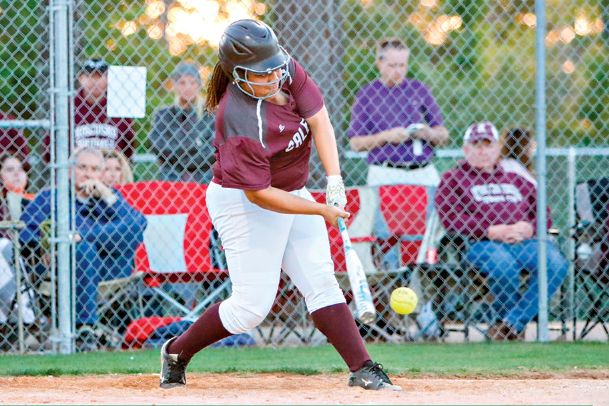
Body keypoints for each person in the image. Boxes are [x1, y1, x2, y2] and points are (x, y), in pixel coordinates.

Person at [159, 19, 400, 391]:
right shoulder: (237, 118)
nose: (274, 76)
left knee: (321, 281)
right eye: (262, 72)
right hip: (243, 203)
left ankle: (363, 367)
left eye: (275, 66)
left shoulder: (284, 68)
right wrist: (320, 209)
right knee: (251, 308)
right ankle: (177, 352)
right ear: (237, 74)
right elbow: (259, 195)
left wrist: (333, 180)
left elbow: (319, 120)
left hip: (293, 191)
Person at [434, 121, 568, 340]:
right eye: (476, 145)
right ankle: (510, 327)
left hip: (523, 241)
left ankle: (510, 323)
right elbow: (450, 219)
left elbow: (544, 212)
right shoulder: (453, 179)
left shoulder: (515, 177)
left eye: (488, 145)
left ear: (498, 149)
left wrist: (528, 227)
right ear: (465, 149)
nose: (482, 150)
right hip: (480, 244)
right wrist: (489, 230)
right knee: (503, 266)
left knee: (555, 262)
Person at [19, 147, 147, 344]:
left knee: (102, 240)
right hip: (61, 271)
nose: (88, 173)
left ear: (101, 174)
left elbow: (139, 224)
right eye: (82, 167)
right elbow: (25, 231)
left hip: (109, 270)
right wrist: (43, 248)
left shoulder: (109, 199)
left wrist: (105, 197)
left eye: (95, 169)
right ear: (70, 170)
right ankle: (84, 328)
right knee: (85, 250)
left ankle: (85, 329)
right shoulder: (51, 197)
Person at [347, 38, 449, 187]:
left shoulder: (419, 89)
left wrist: (427, 133)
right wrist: (387, 137)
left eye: (402, 65)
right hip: (385, 171)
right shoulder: (367, 94)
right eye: (392, 65)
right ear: (379, 64)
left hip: (422, 170)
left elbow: (443, 134)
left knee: (435, 209)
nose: (398, 71)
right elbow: (355, 144)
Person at [43, 58, 136, 163]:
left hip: (109, 172)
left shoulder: (119, 106)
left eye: (100, 76)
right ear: (81, 79)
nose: (95, 81)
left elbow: (129, 146)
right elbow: (49, 149)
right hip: (77, 171)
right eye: (90, 76)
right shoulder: (68, 107)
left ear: (108, 79)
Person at [148, 62, 215, 183]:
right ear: (175, 85)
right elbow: (157, 145)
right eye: (182, 83)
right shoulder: (164, 114)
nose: (188, 87)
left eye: (192, 82)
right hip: (171, 177)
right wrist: (195, 146)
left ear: (199, 85)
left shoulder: (211, 115)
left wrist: (178, 156)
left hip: (204, 178)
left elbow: (213, 151)